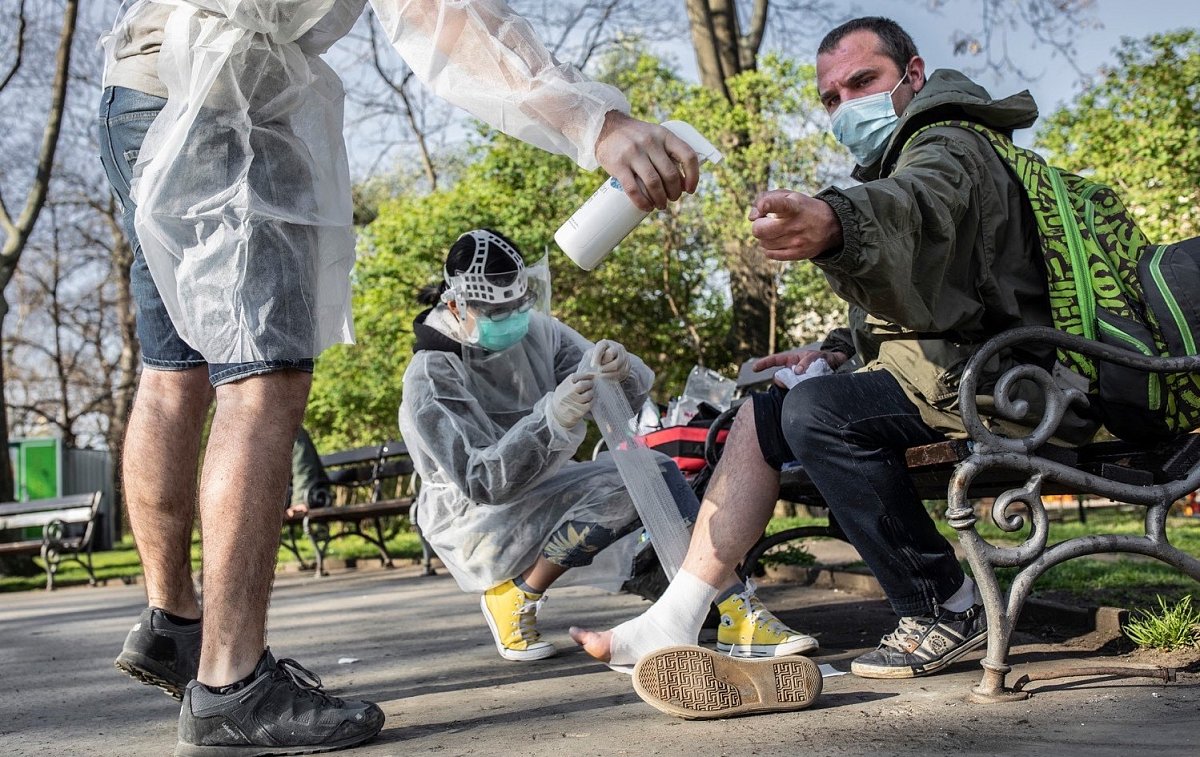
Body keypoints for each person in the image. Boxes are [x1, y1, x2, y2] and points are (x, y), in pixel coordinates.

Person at [100, 2, 704, 754]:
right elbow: (442, 14)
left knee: (172, 374)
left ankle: (174, 622)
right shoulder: (430, 373)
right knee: (260, 380)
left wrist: (600, 375)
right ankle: (230, 685)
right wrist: (598, 124)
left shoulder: (537, 331)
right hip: (218, 96)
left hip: (137, 90)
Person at [572, 16, 1099, 717]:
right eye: (830, 96)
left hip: (1010, 382)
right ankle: (678, 613)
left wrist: (836, 221)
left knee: (814, 412)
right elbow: (932, 299)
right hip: (960, 373)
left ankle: (946, 603)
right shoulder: (904, 155)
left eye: (863, 82)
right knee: (763, 411)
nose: (846, 104)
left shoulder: (949, 144)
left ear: (911, 77)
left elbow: (918, 212)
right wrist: (836, 352)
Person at [399, 228, 816, 665]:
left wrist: (619, 371)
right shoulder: (431, 377)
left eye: (517, 307)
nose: (511, 319)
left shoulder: (537, 331)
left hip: (543, 479)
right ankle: (519, 595)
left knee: (653, 471)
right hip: (475, 518)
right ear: (453, 306)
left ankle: (732, 608)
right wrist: (550, 421)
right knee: (642, 478)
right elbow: (483, 482)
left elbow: (622, 399)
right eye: (496, 311)